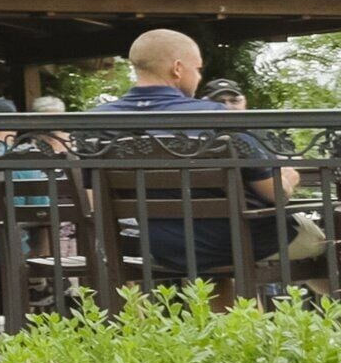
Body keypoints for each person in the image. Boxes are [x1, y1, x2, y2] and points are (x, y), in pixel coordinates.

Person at [94, 27, 301, 274]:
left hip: (161, 247)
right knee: (328, 242)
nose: (199, 77)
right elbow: (275, 194)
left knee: (216, 267)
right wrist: (289, 175)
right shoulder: (216, 118)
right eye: (198, 69)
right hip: (241, 241)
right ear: (178, 68)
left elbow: (94, 198)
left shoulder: (96, 122)